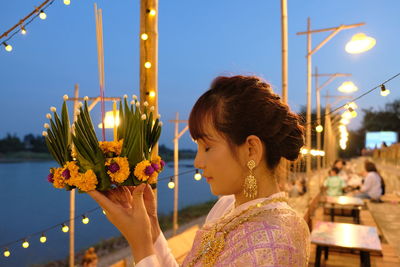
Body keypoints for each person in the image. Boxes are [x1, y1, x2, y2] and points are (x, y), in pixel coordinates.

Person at [88, 75, 310, 266]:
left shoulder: (276, 238)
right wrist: (151, 227)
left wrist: (140, 245)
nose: (197, 162)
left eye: (207, 147)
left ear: (251, 149)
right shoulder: (228, 206)